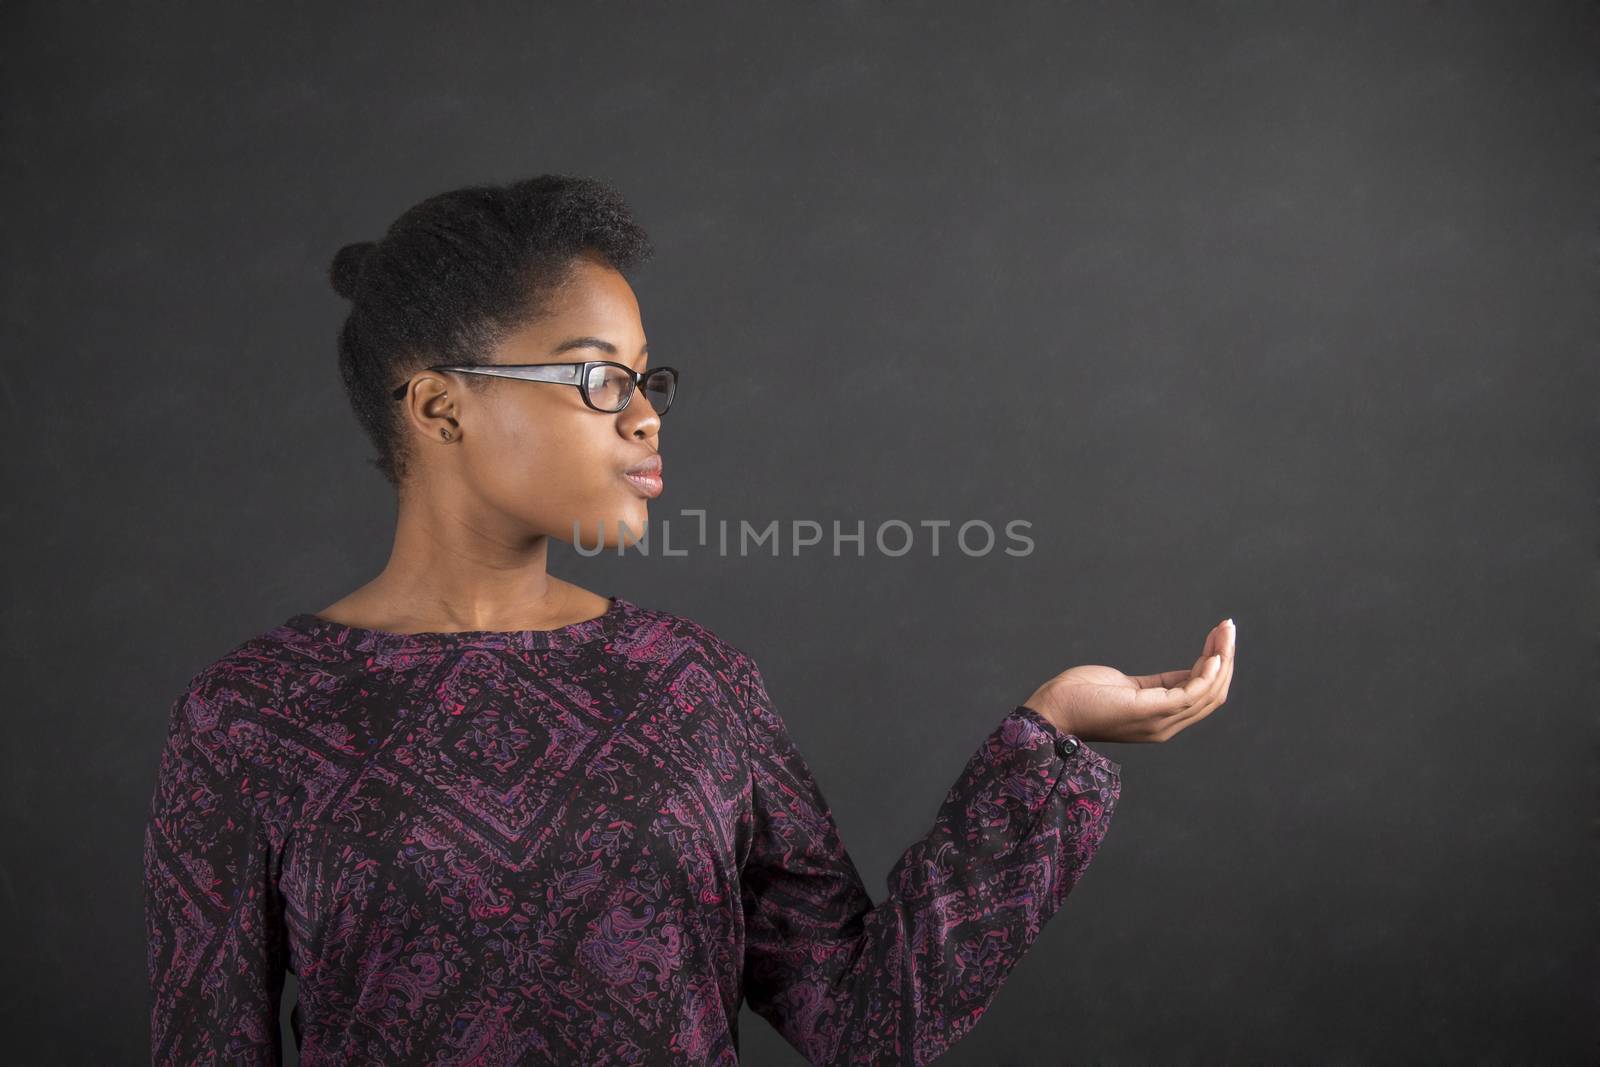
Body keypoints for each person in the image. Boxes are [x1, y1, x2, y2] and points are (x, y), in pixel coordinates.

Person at [141, 174, 1236, 1066]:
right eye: (596, 379)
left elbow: (867, 1021)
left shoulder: (690, 682)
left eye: (645, 376)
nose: (648, 411)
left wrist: (1048, 742)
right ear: (440, 407)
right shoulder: (253, 715)